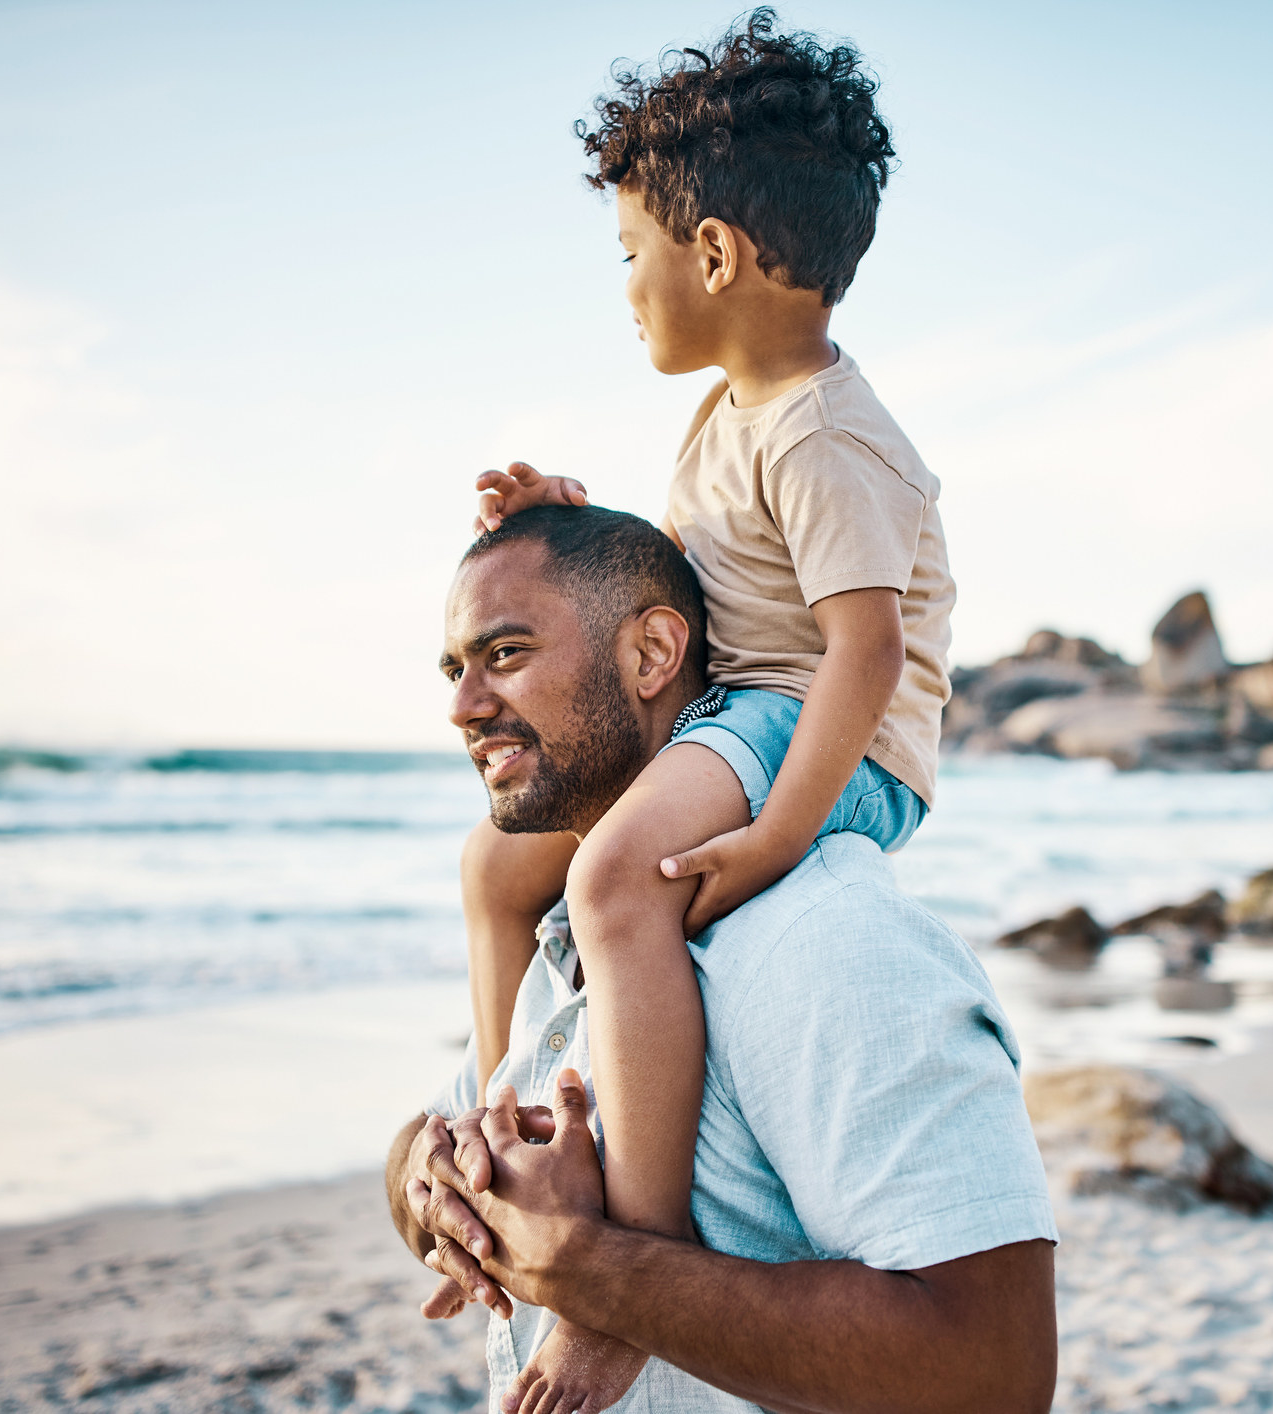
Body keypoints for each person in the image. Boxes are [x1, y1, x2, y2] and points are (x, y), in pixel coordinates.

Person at [454, 14, 957, 1408]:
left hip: (816, 732)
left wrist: (781, 834)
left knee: (616, 876)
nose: (625, 285)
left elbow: (864, 649)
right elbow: (687, 579)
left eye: (633, 252)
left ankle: (633, 1253)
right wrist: (570, 519)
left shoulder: (822, 430)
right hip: (750, 712)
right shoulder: (743, 412)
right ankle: (502, 1124)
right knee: (501, 865)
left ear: (718, 254)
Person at [392, 506, 1055, 1414]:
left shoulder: (825, 942)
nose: (465, 705)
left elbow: (995, 1370)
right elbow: (430, 1135)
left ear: (653, 655)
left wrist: (588, 1269)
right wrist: (440, 1189)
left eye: (505, 655)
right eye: (454, 669)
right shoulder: (562, 940)